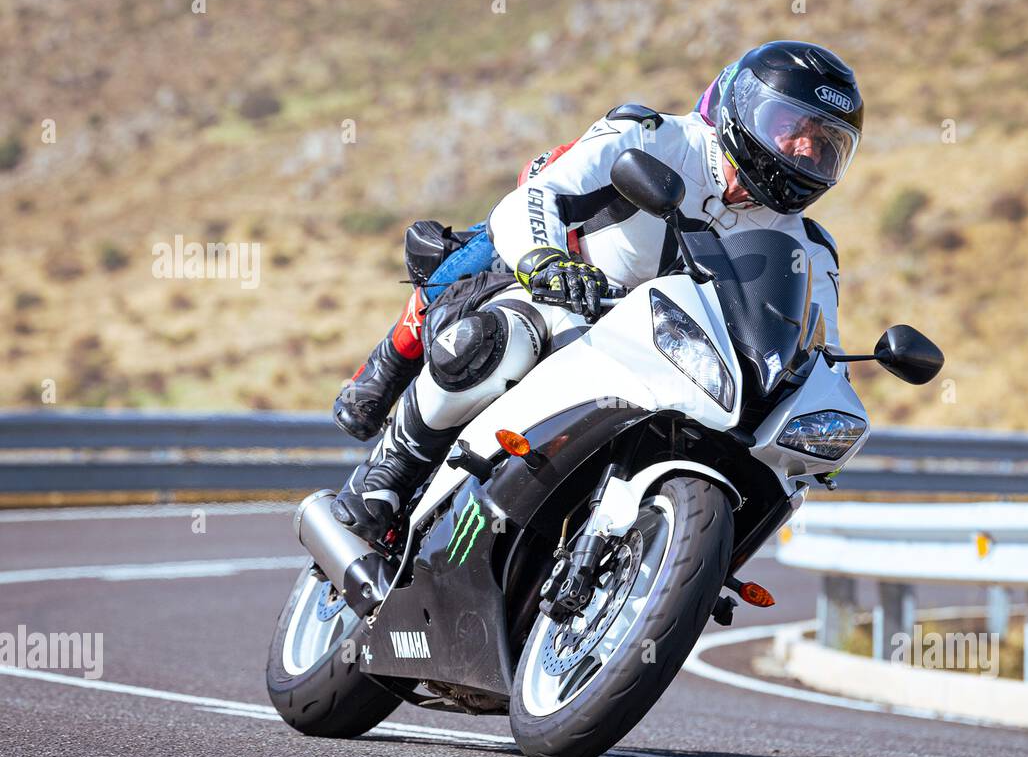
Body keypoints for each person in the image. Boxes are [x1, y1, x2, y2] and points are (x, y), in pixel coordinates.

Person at [330, 40, 863, 542]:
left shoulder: (810, 247)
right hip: (568, 303)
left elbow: (822, 353)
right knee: (498, 340)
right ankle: (391, 468)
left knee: (763, 478)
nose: (803, 150)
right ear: (744, 110)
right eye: (792, 127)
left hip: (677, 371)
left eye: (825, 145)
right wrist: (543, 259)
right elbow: (538, 194)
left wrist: (822, 423)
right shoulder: (655, 137)